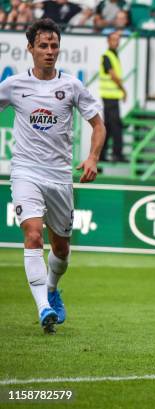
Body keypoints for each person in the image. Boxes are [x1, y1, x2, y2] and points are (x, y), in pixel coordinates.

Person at [0, 18, 105, 334]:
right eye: (43, 46)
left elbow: (98, 125)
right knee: (32, 234)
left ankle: (52, 288)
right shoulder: (14, 86)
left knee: (61, 249)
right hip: (25, 172)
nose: (49, 51)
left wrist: (92, 157)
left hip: (60, 177)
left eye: (54, 45)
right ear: (30, 48)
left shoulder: (71, 86)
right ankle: (42, 306)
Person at [99, 30, 127, 163]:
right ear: (108, 41)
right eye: (114, 39)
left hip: (112, 96)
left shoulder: (114, 55)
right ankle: (117, 154)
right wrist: (123, 90)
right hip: (109, 97)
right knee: (116, 126)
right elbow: (113, 75)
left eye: (118, 39)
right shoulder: (107, 56)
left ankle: (101, 155)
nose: (117, 42)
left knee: (109, 127)